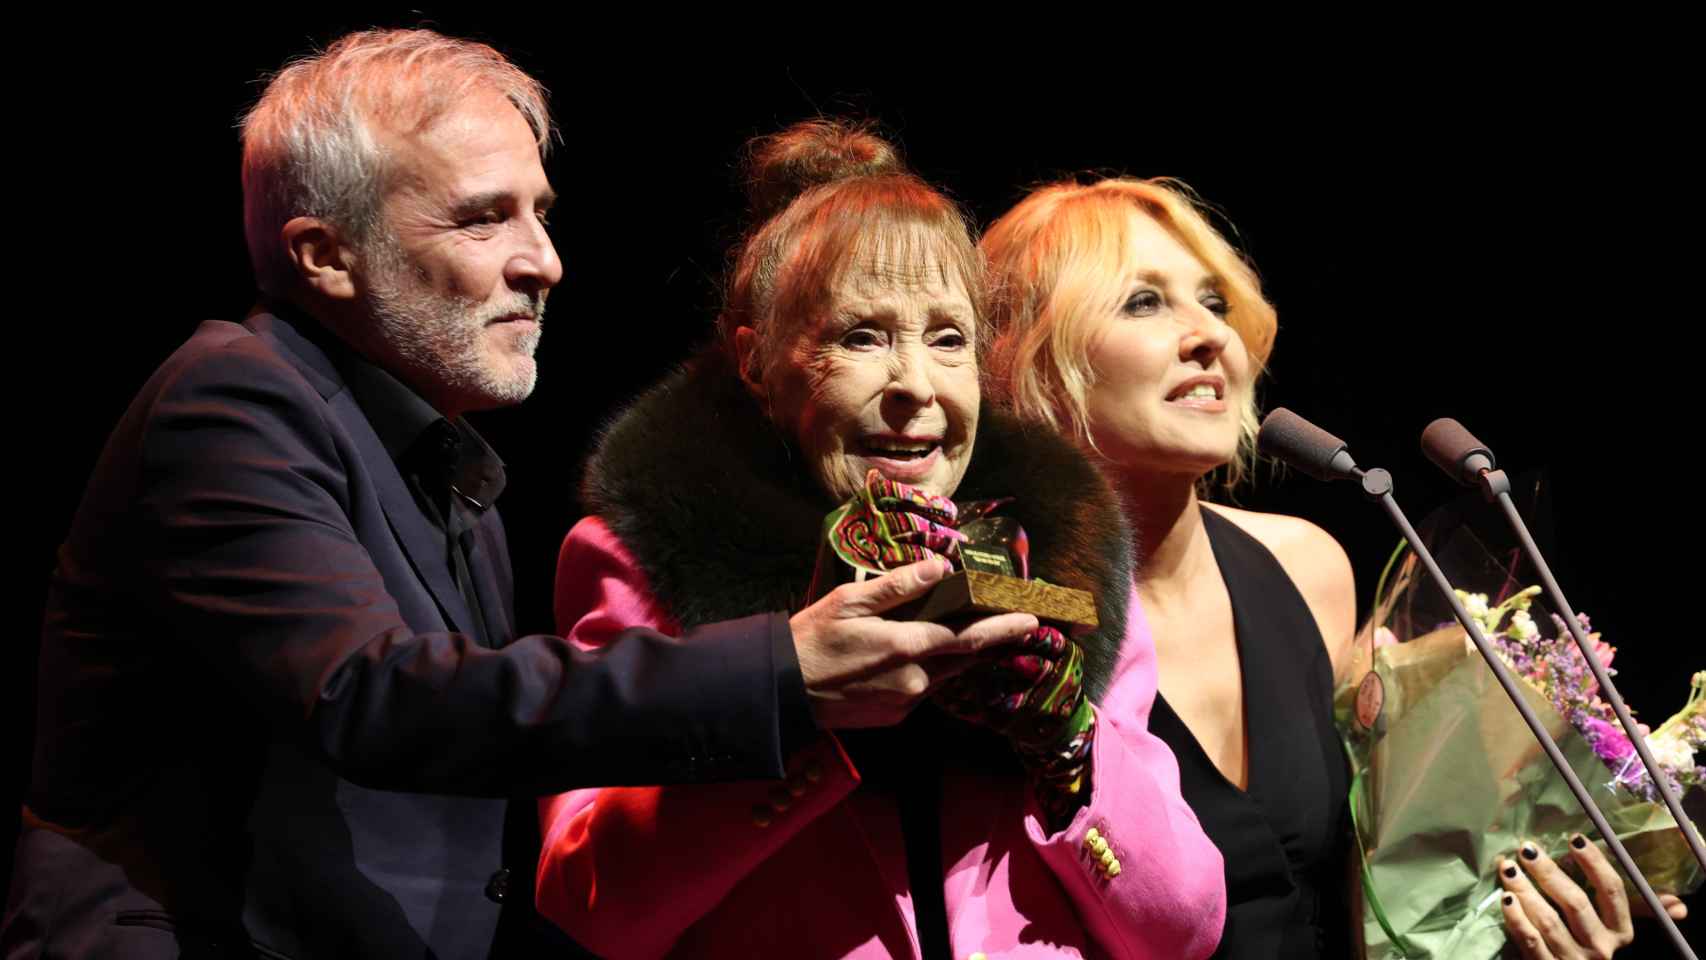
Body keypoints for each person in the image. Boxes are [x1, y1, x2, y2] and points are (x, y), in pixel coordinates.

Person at [4, 32, 993, 959]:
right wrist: (781, 669)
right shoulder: (231, 396)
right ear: (322, 254)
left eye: (541, 213)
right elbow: (372, 696)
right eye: (484, 217)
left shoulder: (444, 463)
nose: (544, 263)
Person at [534, 120, 1226, 960]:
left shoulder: (1061, 565)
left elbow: (1183, 931)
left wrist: (1068, 749)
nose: (916, 387)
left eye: (948, 340)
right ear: (756, 362)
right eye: (861, 337)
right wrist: (796, 700)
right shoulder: (641, 558)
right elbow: (594, 904)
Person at [979, 176, 1687, 959]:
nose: (1208, 335)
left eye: (1214, 302)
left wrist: (1505, 932)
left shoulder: (1307, 566)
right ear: (1030, 357)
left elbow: (1365, 905)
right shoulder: (1013, 613)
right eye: (1143, 302)